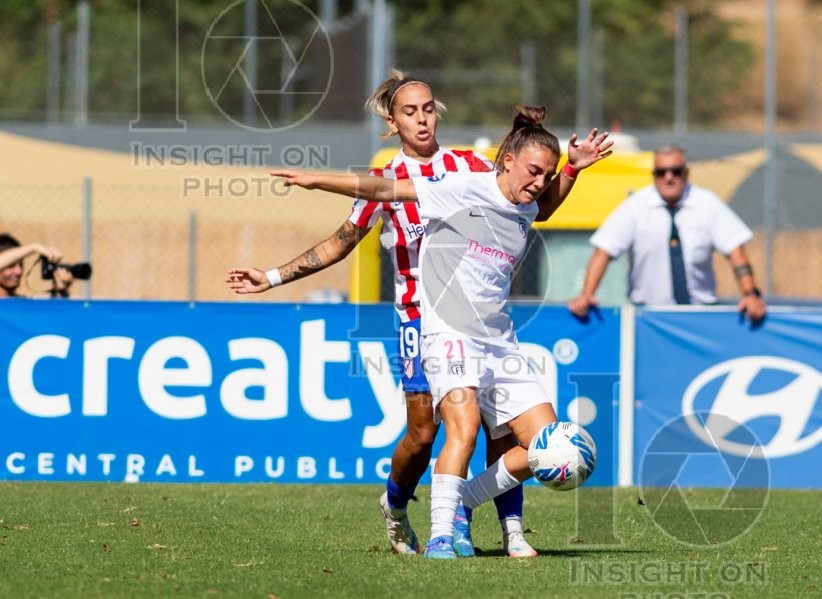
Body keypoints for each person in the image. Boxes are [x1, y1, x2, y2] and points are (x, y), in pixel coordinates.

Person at [227, 71, 612, 558]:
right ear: (394, 121)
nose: (423, 118)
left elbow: (536, 204)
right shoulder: (393, 178)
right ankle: (412, 512)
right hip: (425, 318)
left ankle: (493, 524)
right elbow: (342, 242)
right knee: (430, 431)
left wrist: (569, 171)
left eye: (428, 108)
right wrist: (276, 273)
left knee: (504, 434)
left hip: (491, 327)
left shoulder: (472, 168)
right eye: (410, 111)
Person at [568, 144, 767, 322]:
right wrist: (586, 294)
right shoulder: (636, 206)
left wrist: (751, 295)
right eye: (662, 172)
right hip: (647, 316)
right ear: (653, 175)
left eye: (676, 171)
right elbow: (603, 251)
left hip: (701, 314)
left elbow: (736, 252)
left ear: (686, 174)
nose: (669, 177)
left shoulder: (707, 203)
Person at [0, 233, 74, 298]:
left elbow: (56, 313)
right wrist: (34, 248)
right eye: (10, 266)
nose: (19, 271)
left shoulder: (23, 304)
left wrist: (61, 290)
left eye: (21, 265)